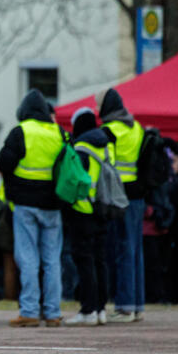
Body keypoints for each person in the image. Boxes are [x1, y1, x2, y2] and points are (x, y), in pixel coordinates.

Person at [0, 89, 64, 327]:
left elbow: (3, 163)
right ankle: (53, 312)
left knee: (27, 257)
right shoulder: (59, 133)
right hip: (53, 205)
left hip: (25, 204)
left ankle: (29, 311)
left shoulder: (20, 132)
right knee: (52, 259)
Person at [99, 88, 146, 322]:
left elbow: (105, 165)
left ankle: (125, 306)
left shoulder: (108, 130)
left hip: (119, 196)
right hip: (138, 194)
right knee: (136, 251)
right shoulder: (135, 127)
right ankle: (137, 305)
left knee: (122, 250)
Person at [63, 108, 112, 325]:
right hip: (104, 209)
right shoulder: (107, 146)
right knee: (101, 259)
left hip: (83, 210)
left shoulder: (81, 147)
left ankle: (88, 309)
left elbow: (75, 180)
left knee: (84, 260)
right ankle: (101, 308)